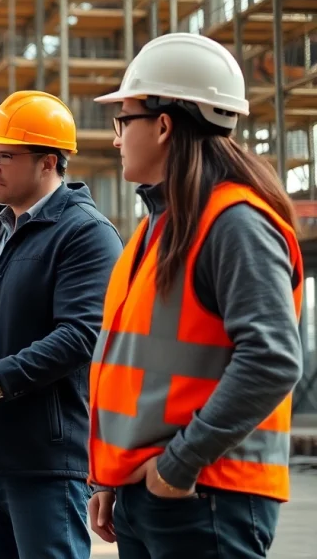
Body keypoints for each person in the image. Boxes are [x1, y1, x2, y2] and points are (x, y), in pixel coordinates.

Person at [87, 32, 303, 559]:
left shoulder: (234, 224)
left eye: (123, 120)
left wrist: (178, 465)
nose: (117, 138)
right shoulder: (160, 228)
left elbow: (272, 359)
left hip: (205, 493)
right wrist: (112, 478)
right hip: (154, 493)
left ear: (162, 125)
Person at [0, 90, 124, 559]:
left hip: (45, 463)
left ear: (48, 162)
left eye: (6, 156)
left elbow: (81, 335)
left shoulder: (86, 234)